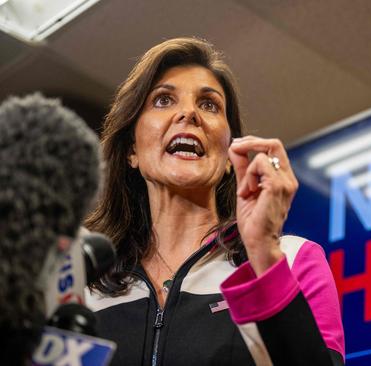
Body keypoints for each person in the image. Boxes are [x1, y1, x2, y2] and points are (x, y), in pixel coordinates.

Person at [84, 37, 344, 365]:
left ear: (226, 156)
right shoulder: (83, 287)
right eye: (163, 100)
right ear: (131, 151)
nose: (189, 113)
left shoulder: (292, 260)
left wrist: (263, 254)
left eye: (209, 105)